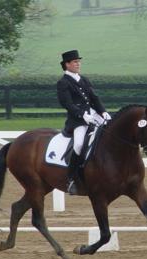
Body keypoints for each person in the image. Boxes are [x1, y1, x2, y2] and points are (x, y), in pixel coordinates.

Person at [56, 49, 111, 195]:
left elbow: (94, 98)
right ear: (67, 64)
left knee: (110, 133)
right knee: (79, 144)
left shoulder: (84, 79)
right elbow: (67, 104)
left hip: (93, 115)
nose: (78, 64)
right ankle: (72, 178)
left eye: (78, 61)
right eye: (75, 62)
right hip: (77, 120)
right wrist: (82, 115)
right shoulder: (63, 83)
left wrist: (103, 112)